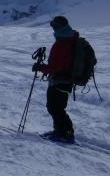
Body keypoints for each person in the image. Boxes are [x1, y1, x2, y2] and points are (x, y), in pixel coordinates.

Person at [33, 15, 77, 143]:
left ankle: (66, 134)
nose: (52, 28)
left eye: (53, 26)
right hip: (67, 79)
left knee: (55, 108)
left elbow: (55, 67)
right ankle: (59, 131)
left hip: (60, 80)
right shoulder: (71, 39)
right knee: (57, 107)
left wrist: (40, 67)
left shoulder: (62, 43)